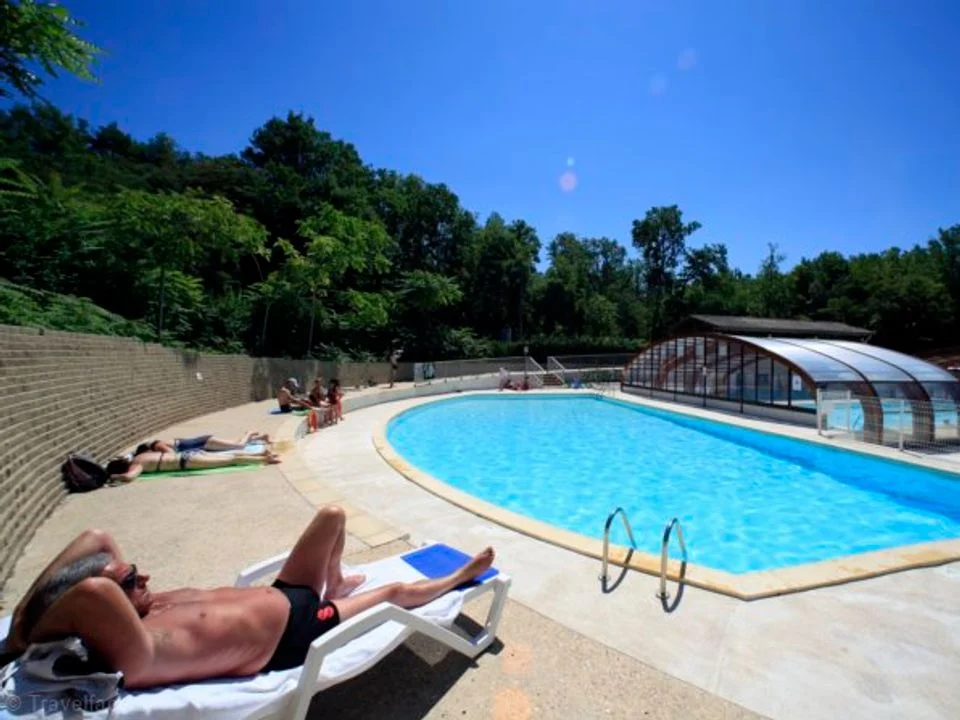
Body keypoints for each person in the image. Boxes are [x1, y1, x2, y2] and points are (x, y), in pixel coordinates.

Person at [5, 507, 496, 689]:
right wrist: (23, 634)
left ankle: (339, 578)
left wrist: (116, 577)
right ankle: (459, 578)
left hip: (286, 593)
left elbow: (95, 537)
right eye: (133, 577)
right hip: (298, 630)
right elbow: (92, 591)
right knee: (392, 591)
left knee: (332, 515)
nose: (145, 575)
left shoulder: (146, 604)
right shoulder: (139, 652)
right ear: (100, 608)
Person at [105, 445, 281, 482]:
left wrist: (112, 477)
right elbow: (168, 452)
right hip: (188, 454)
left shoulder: (136, 464)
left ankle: (265, 459)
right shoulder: (142, 455)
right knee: (232, 455)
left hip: (187, 462)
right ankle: (262, 453)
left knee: (231, 460)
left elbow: (130, 477)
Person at [133, 431, 271, 457]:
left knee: (239, 446)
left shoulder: (157, 446)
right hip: (203, 441)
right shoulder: (159, 444)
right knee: (234, 443)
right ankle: (261, 437)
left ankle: (249, 433)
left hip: (205, 443)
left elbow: (172, 455)